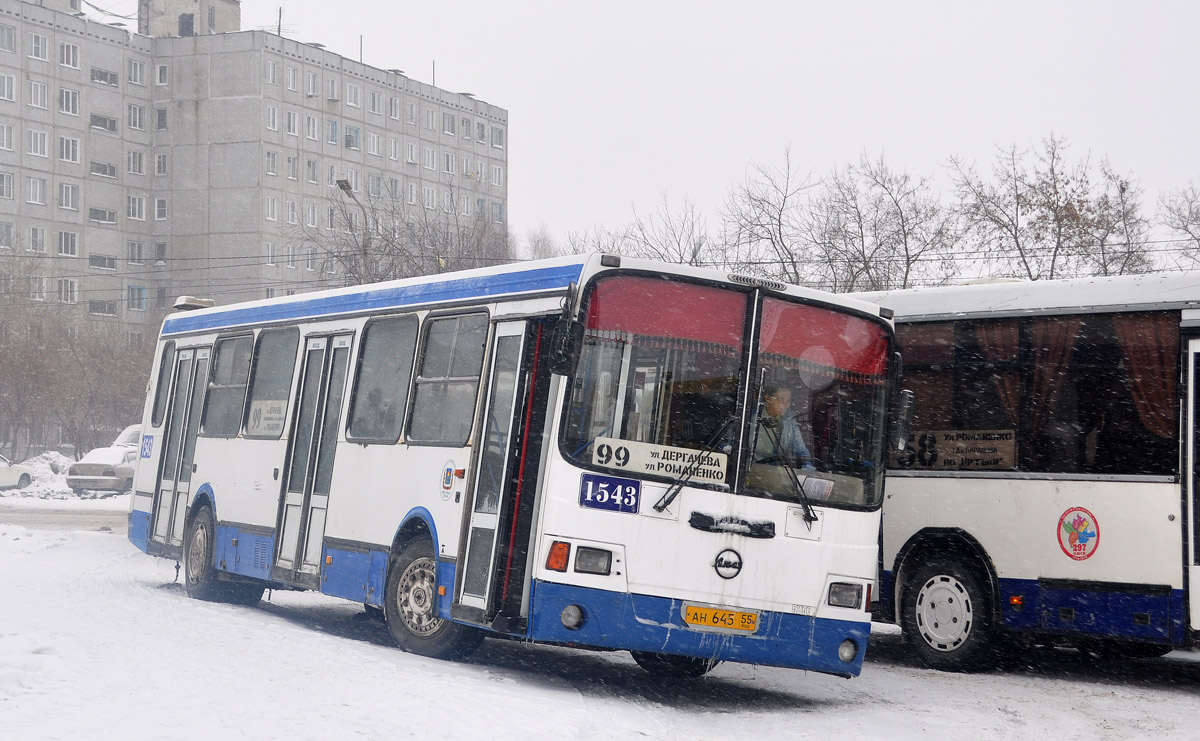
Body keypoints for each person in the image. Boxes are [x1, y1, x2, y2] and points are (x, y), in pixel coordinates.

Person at [755, 384, 816, 470]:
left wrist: (808, 467)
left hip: (778, 474)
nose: (785, 404)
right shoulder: (752, 418)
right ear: (768, 398)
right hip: (752, 473)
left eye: (788, 401)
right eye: (781, 399)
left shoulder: (790, 421)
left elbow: (802, 452)